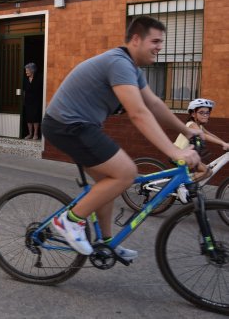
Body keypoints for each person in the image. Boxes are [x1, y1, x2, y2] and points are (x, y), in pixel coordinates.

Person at [42, 15, 202, 259]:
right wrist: (175, 152)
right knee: (126, 173)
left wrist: (186, 130)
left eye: (162, 42)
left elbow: (154, 104)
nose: (160, 47)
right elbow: (138, 113)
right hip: (67, 125)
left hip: (82, 126)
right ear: (136, 40)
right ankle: (70, 220)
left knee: (109, 181)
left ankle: (107, 243)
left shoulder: (132, 69)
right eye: (155, 41)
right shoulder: (118, 63)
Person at [174, 98, 229, 181]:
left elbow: (210, 134)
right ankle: (183, 187)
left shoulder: (199, 125)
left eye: (207, 112)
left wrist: (224, 143)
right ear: (193, 114)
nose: (205, 115)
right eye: (201, 112)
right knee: (206, 171)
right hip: (179, 154)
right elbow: (204, 136)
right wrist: (223, 144)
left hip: (186, 154)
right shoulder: (191, 124)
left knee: (207, 171)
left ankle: (185, 188)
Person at [23, 63, 43, 140]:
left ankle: (35, 134)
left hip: (36, 101)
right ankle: (30, 134)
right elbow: (24, 91)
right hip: (28, 101)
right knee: (28, 117)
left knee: (35, 117)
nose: (26, 72)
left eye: (27, 71)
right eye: (26, 71)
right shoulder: (25, 79)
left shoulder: (39, 78)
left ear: (32, 70)